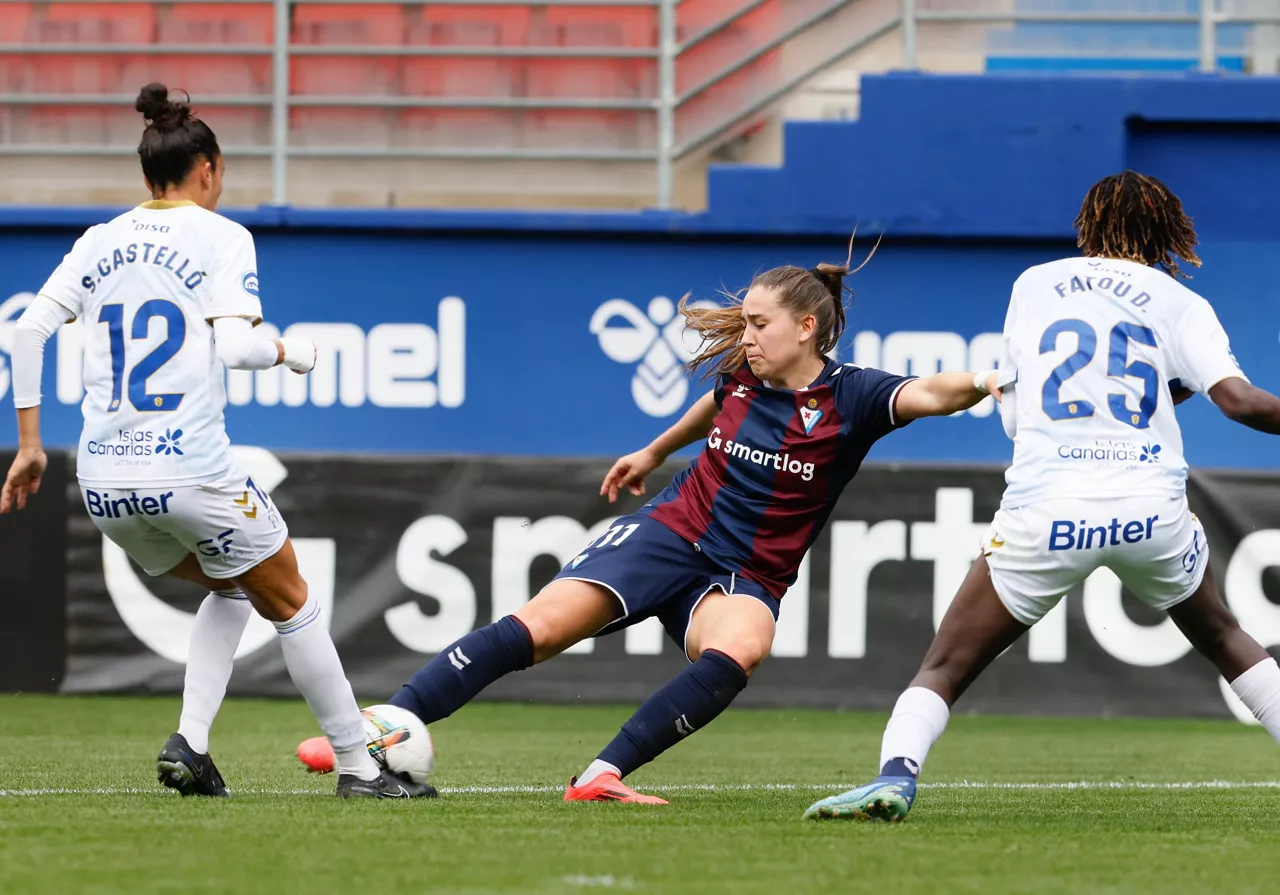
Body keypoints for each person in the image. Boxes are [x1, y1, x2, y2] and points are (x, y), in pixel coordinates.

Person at [297, 246, 999, 802]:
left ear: (807, 327)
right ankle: (386, 721)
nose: (747, 336)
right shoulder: (744, 371)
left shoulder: (856, 396)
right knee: (542, 627)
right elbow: (715, 408)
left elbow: (933, 391)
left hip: (744, 573)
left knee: (744, 646)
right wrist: (655, 450)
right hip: (671, 531)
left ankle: (602, 773)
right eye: (746, 322)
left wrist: (984, 380)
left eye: (760, 324)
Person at [805, 171, 1280, 823]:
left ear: (1090, 223)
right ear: (1164, 229)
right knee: (1226, 635)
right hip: (1148, 507)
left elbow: (1019, 413)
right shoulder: (1178, 302)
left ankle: (896, 774)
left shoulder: (1034, 285)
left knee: (946, 662)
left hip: (1048, 507)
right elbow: (1242, 402)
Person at [0, 84, 432, 800]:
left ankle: (191, 745)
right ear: (209, 168)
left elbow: (26, 331)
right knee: (290, 594)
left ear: (146, 177)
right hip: (189, 471)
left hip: (103, 482)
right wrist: (289, 351)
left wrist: (30, 444)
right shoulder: (222, 235)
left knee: (234, 584)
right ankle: (359, 767)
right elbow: (236, 346)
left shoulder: (98, 241)